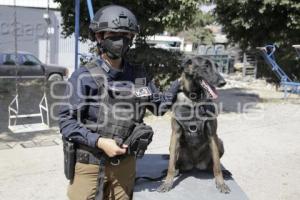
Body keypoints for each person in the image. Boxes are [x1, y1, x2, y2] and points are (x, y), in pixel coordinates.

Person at [59, 5, 180, 200]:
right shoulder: (84, 76)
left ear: (131, 39)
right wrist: (99, 141)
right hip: (90, 164)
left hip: (125, 165)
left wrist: (180, 83)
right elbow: (66, 122)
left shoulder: (139, 77)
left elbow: (158, 107)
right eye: (114, 34)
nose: (120, 40)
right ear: (99, 36)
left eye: (125, 34)